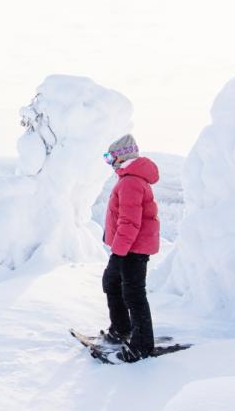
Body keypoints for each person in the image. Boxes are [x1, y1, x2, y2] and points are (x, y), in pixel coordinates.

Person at [101, 134, 161, 362]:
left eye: (110, 157)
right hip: (128, 247)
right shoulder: (129, 178)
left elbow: (130, 222)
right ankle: (121, 328)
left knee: (133, 293)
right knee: (112, 283)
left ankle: (142, 345)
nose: (109, 162)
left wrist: (118, 251)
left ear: (120, 157)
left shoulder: (130, 182)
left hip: (131, 249)